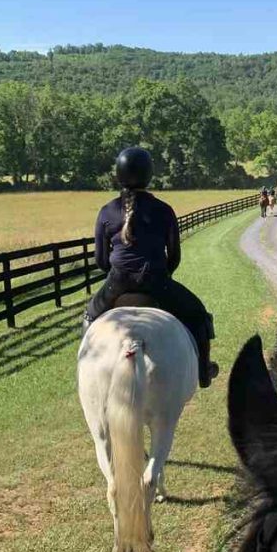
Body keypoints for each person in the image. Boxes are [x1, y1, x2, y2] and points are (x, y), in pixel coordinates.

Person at [82, 147, 218, 388]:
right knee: (199, 315)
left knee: (89, 318)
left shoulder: (106, 212)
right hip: (157, 282)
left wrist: (117, 275)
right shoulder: (164, 210)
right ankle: (204, 372)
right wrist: (162, 277)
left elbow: (101, 261)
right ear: (149, 175)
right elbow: (174, 257)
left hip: (117, 283)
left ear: (118, 175)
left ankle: (85, 373)